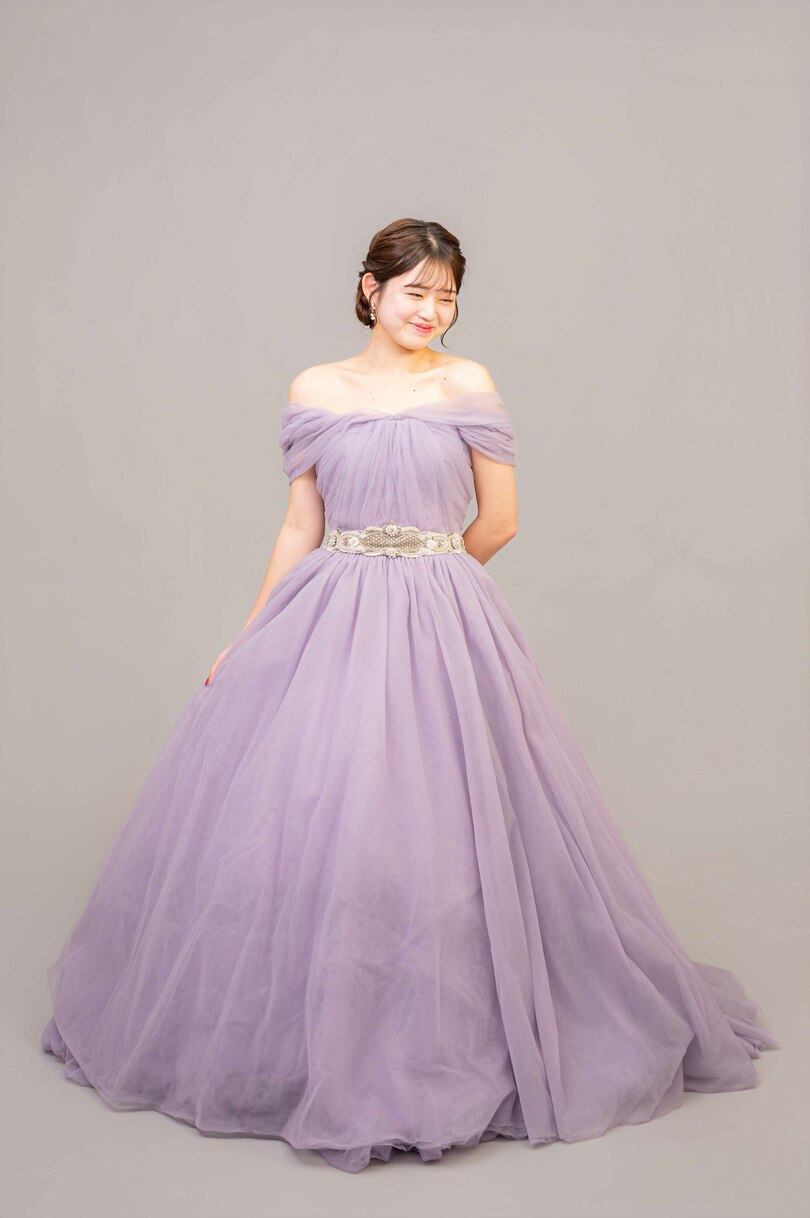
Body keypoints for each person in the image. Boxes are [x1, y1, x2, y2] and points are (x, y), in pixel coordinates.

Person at [41, 217, 779, 1174]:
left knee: (437, 818)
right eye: (415, 292)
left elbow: (500, 521)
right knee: (326, 810)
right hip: (328, 610)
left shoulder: (466, 384)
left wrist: (428, 578)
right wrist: (253, 632)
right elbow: (300, 524)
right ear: (370, 290)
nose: (432, 311)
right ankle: (317, 1035)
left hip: (440, 616)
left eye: (447, 296)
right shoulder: (315, 388)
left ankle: (442, 1033)